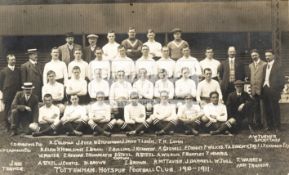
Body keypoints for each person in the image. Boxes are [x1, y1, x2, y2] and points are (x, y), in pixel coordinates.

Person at [262, 49, 285, 132]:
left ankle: (277, 127)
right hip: (265, 89)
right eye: (266, 56)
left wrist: (278, 90)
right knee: (267, 108)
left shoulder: (278, 66)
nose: (267, 57)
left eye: (269, 55)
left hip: (274, 91)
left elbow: (282, 80)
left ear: (273, 56)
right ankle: (269, 126)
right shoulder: (265, 66)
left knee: (275, 108)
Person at [0, 54, 21, 131]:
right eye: (12, 59)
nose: (13, 61)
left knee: (16, 109)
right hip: (8, 94)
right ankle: (7, 126)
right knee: (7, 109)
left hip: (17, 94)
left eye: (14, 59)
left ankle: (15, 125)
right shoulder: (3, 71)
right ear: (8, 60)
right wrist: (5, 92)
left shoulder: (18, 70)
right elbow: (1, 84)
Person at [248, 49, 267, 130]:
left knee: (264, 109)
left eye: (255, 55)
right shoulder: (250, 65)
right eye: (252, 55)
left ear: (258, 55)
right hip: (254, 91)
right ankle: (258, 125)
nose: (254, 57)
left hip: (262, 90)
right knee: (256, 109)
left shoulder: (264, 64)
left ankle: (266, 125)